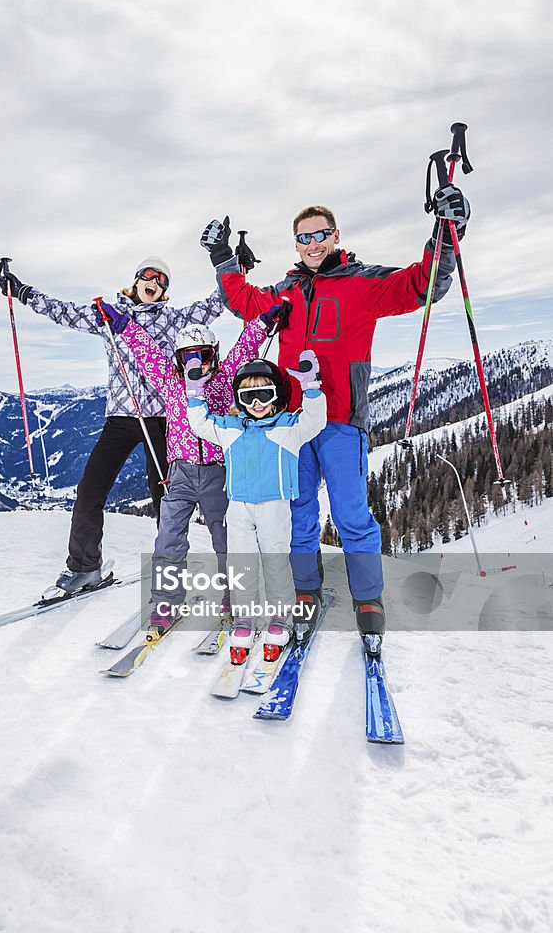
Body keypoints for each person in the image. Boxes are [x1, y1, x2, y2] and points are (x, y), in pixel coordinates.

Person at [199, 183, 470, 646]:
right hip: (293, 423)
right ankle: (307, 590)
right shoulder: (286, 292)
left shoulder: (362, 283)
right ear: (296, 244)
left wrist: (448, 229)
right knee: (300, 513)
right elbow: (242, 300)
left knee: (351, 513)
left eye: (321, 234)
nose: (313, 243)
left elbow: (422, 285)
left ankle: (368, 597)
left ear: (336, 234)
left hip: (342, 420)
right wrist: (221, 255)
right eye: (304, 237)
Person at [0, 257, 224, 591]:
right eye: (149, 275)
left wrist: (235, 270)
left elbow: (215, 304)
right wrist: (23, 292)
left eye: (162, 281)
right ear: (136, 279)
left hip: (160, 420)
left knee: (165, 499)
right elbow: (64, 311)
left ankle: (172, 577)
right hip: (119, 418)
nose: (154, 282)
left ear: (164, 292)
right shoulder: (108, 316)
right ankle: (85, 567)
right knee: (89, 490)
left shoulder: (174, 320)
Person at [94, 301, 289, 634]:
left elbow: (244, 347)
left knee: (226, 539)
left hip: (217, 472)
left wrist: (262, 321)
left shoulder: (224, 380)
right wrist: (122, 323)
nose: (195, 364)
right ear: (178, 359)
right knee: (168, 538)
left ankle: (234, 594)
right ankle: (166, 601)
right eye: (187, 357)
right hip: (180, 472)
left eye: (202, 355)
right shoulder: (171, 383)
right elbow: (147, 351)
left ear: (214, 354)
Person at [186, 350, 327, 664]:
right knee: (242, 565)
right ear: (239, 398)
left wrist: (311, 387)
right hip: (238, 506)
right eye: (249, 396)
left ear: (276, 395)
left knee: (276, 562)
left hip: (274, 506)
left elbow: (316, 421)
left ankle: (280, 618)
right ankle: (244, 619)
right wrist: (194, 393)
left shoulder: (288, 428)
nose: (257, 403)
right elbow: (199, 424)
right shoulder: (231, 428)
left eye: (265, 394)